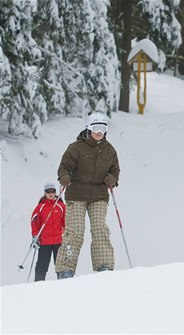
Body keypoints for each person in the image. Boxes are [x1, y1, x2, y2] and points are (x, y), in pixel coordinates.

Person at [55, 112, 120, 279]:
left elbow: (115, 170)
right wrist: (64, 177)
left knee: (100, 229)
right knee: (76, 231)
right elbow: (64, 167)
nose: (99, 132)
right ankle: (65, 269)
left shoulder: (110, 150)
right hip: (76, 194)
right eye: (96, 128)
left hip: (98, 195)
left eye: (103, 128)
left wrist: (113, 179)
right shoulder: (76, 148)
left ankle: (104, 266)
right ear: (88, 128)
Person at [30, 182, 66, 281]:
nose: (51, 194)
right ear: (45, 193)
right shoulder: (40, 207)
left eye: (53, 191)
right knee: (42, 264)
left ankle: (64, 283)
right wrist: (35, 236)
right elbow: (34, 222)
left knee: (61, 264)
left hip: (59, 241)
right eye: (48, 191)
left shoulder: (61, 206)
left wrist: (65, 234)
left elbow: (66, 222)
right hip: (44, 241)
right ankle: (38, 284)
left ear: (55, 192)